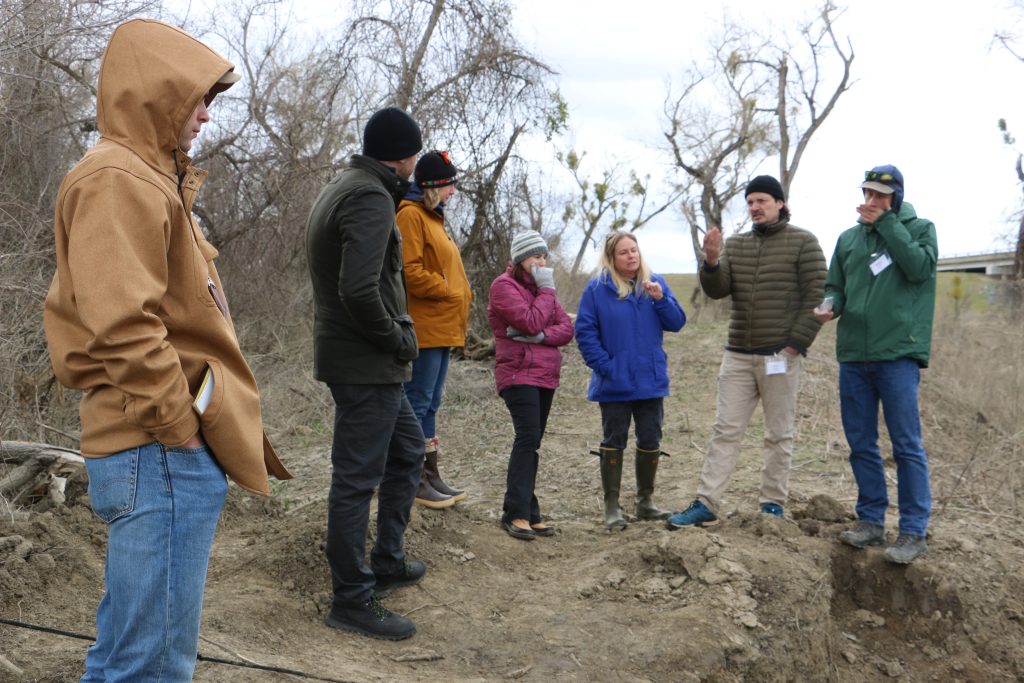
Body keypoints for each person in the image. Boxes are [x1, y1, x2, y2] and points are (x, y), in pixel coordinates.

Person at [42, 18, 291, 681]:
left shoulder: (146, 176)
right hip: (157, 450)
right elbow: (123, 324)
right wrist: (179, 430)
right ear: (157, 92)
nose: (206, 114)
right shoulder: (118, 178)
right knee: (145, 664)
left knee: (145, 654)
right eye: (196, 97)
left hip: (163, 450)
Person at [306, 107, 427, 640]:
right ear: (402, 155)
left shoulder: (346, 184)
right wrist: (396, 337)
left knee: (408, 451)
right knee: (356, 481)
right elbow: (356, 290)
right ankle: (352, 599)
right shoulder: (371, 196)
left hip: (366, 362)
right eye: (415, 155)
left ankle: (387, 560)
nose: (416, 164)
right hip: (367, 363)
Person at [667, 175, 826, 529]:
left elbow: (818, 296)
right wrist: (710, 261)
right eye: (750, 202)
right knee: (725, 430)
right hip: (737, 355)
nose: (754, 208)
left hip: (780, 357)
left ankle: (772, 505)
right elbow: (718, 290)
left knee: (778, 434)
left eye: (761, 201)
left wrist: (795, 344)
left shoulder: (804, 242)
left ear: (780, 203)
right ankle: (706, 502)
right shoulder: (736, 245)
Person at [816, 165, 936, 565]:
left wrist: (888, 225)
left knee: (906, 446)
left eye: (880, 197)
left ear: (895, 198)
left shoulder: (920, 230)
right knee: (861, 444)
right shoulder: (849, 239)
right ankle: (870, 522)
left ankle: (913, 531)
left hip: (897, 354)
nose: (870, 202)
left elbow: (919, 268)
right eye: (867, 194)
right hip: (854, 355)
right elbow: (836, 285)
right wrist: (829, 306)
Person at [575, 231, 686, 530]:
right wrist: (605, 367)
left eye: (634, 250)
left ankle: (645, 503)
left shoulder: (655, 283)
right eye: (624, 252)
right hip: (615, 383)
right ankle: (612, 506)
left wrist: (660, 300)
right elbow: (585, 332)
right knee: (614, 440)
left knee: (651, 439)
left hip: (650, 380)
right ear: (612, 258)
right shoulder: (597, 289)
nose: (631, 256)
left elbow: (677, 322)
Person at [396, 150, 472, 509]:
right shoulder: (410, 216)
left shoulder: (434, 219)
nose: (453, 192)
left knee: (430, 403)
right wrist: (446, 288)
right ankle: (411, 478)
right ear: (433, 186)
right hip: (425, 326)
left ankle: (431, 474)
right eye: (449, 185)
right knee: (418, 401)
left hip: (443, 327)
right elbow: (408, 270)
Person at [487, 232, 574, 540]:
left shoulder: (540, 289)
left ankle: (529, 511)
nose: (541, 261)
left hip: (545, 375)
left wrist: (538, 337)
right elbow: (532, 320)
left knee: (532, 440)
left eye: (544, 256)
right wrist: (544, 301)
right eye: (536, 256)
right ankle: (516, 514)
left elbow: (566, 329)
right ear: (521, 258)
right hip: (518, 373)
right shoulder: (503, 287)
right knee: (527, 438)